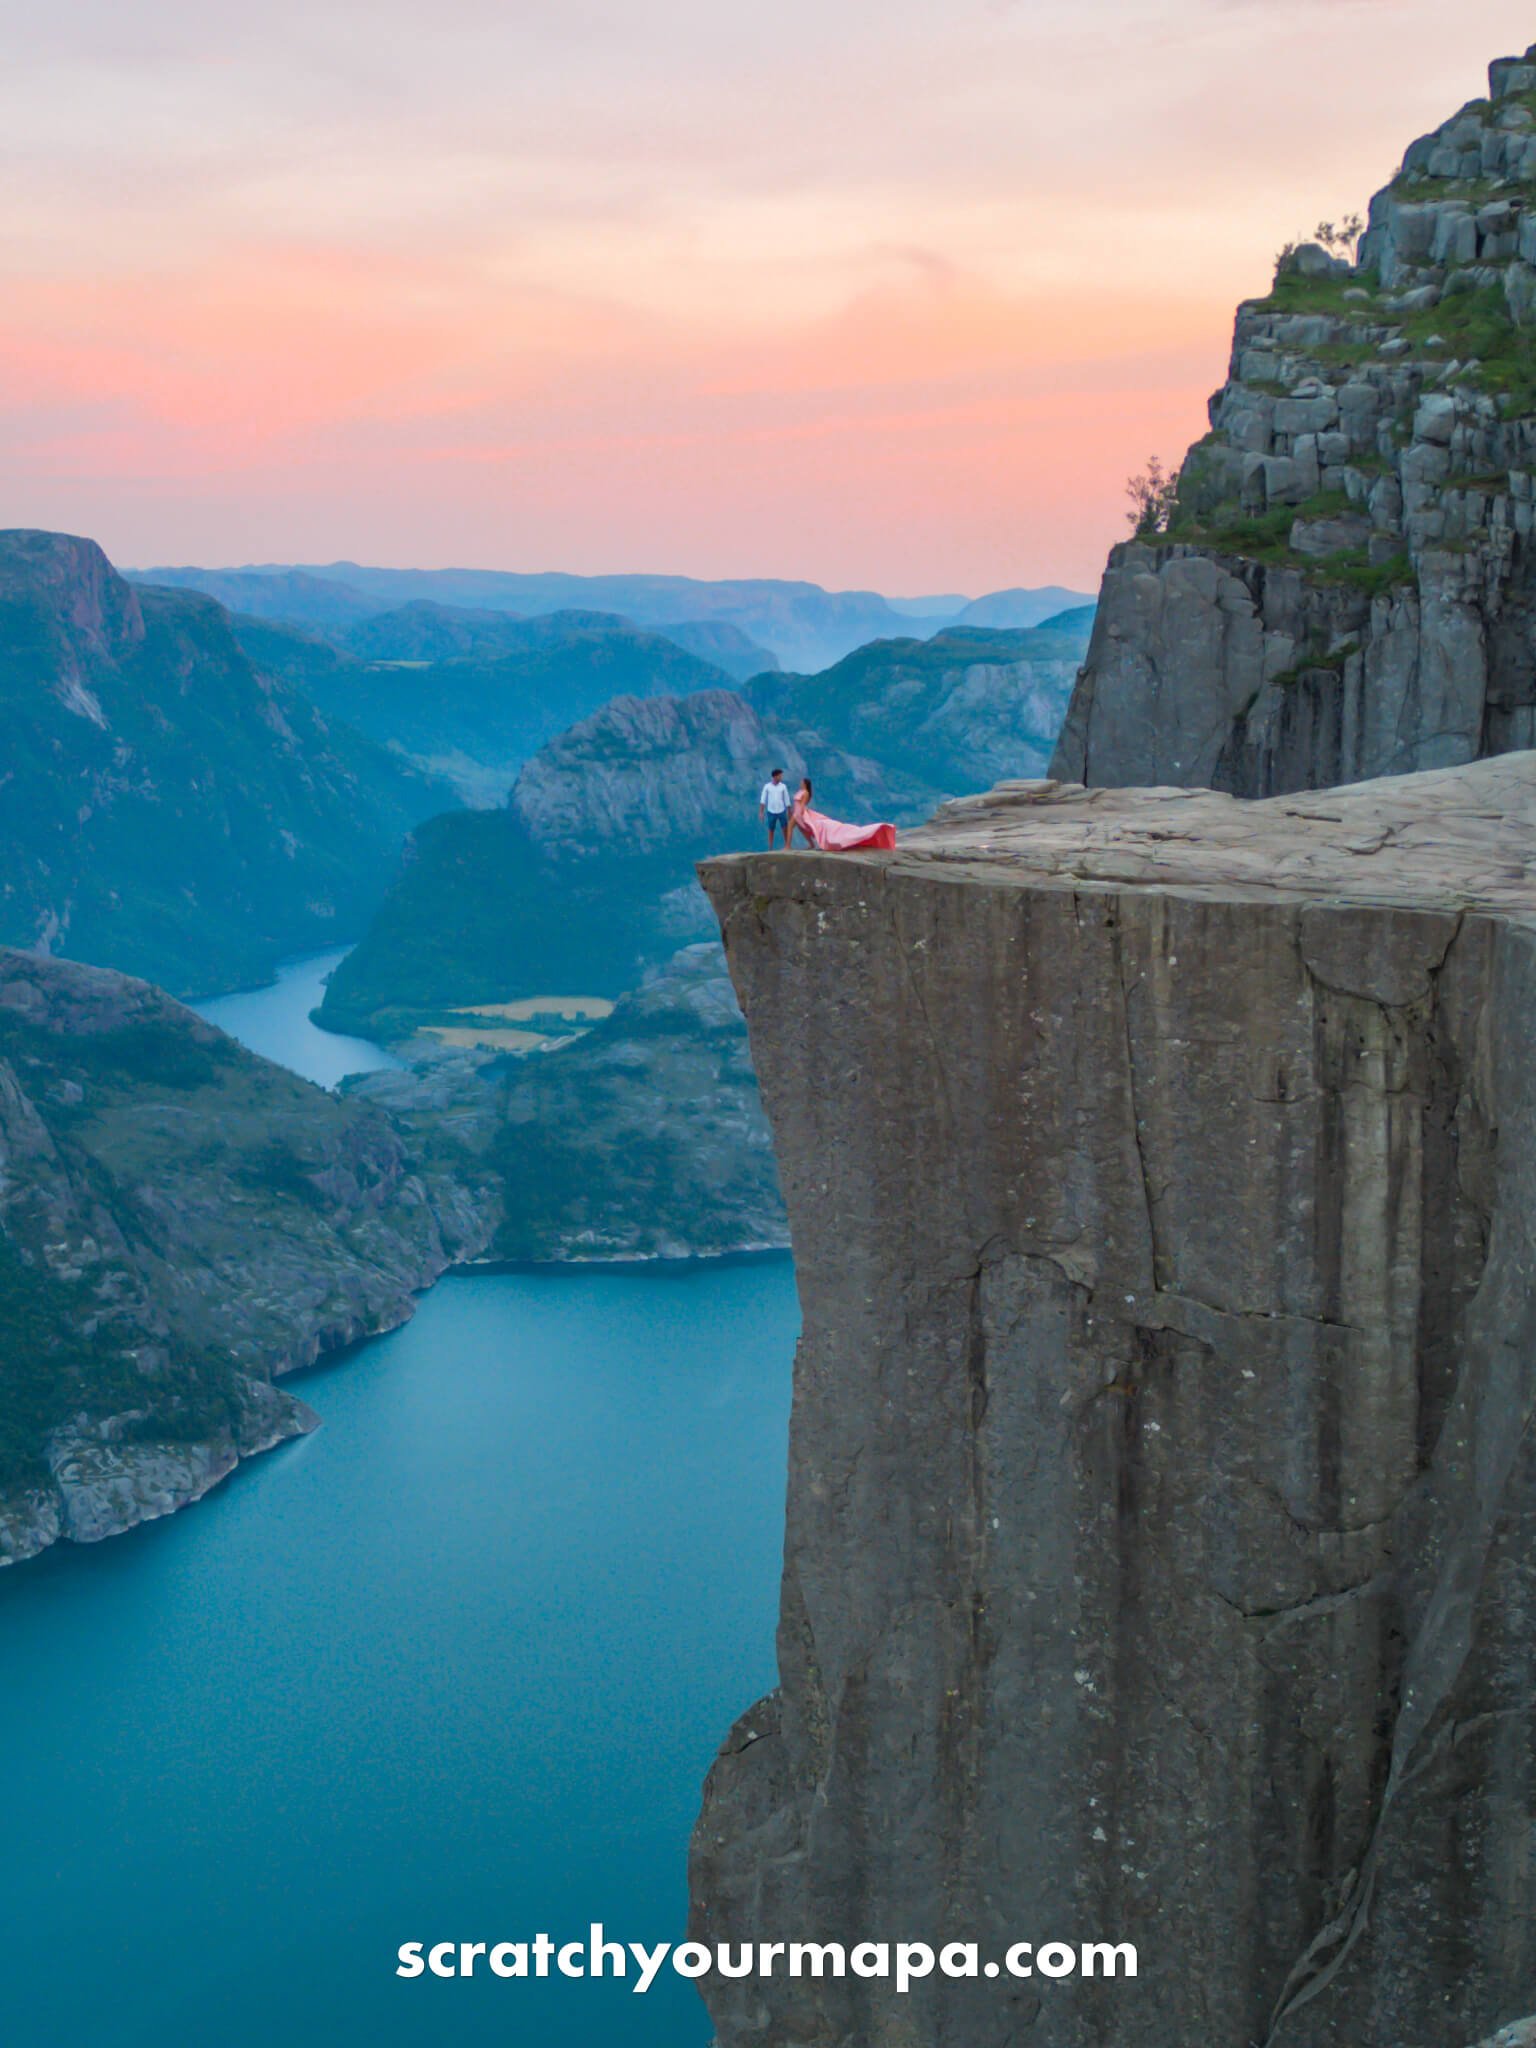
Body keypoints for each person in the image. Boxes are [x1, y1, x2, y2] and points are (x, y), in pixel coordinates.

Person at [791, 777, 897, 852]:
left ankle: (794, 845)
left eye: (802, 782)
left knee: (828, 827)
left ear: (805, 784)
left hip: (802, 814)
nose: (800, 783)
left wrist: (801, 814)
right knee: (805, 827)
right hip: (800, 814)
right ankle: (803, 844)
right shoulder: (802, 792)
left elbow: (802, 805)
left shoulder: (805, 793)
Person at [759, 767, 794, 850]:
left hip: (781, 810)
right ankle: (770, 847)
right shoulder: (767, 787)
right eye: (780, 776)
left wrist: (789, 811)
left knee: (785, 828)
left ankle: (787, 845)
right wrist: (761, 812)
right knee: (771, 829)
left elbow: (786, 799)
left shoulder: (783, 786)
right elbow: (763, 799)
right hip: (771, 811)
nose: (781, 777)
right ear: (775, 776)